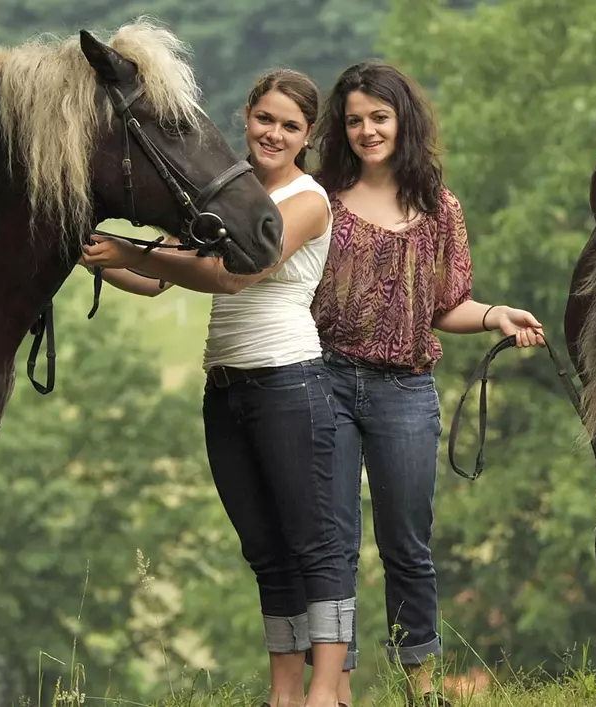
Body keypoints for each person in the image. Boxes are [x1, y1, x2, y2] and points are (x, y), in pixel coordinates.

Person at [80, 68, 353, 707]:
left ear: (307, 136)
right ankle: (283, 691)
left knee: (314, 543)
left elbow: (236, 275)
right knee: (264, 546)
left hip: (289, 381)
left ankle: (323, 692)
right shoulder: (222, 197)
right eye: (265, 119)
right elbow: (154, 282)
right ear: (246, 117)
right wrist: (88, 248)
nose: (274, 134)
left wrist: (130, 253)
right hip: (225, 390)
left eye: (289, 126)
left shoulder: (309, 202)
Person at [308, 59, 545, 706]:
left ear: (402, 119)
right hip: (325, 381)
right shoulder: (318, 198)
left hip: (405, 390)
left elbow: (447, 304)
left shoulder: (438, 207)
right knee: (332, 543)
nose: (366, 130)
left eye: (379, 117)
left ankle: (422, 688)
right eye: (354, 120)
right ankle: (333, 689)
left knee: (406, 545)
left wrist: (495, 314)